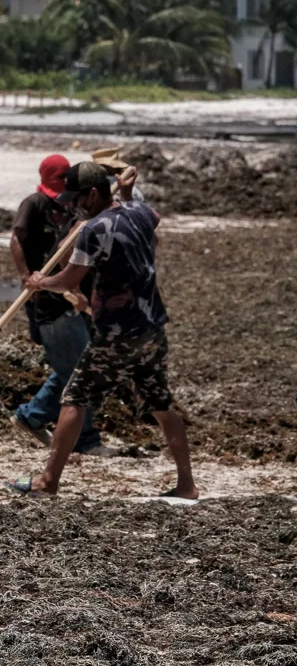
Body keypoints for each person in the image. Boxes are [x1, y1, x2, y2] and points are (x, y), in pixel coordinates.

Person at [6, 162, 198, 499]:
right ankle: (187, 485)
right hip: (151, 327)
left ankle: (48, 482)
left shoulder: (93, 229)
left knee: (74, 398)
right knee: (162, 405)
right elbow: (150, 222)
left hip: (115, 333)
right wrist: (123, 191)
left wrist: (39, 282)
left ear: (93, 193)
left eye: (78, 197)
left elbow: (68, 279)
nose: (73, 204)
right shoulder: (138, 213)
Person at [9, 155, 108, 455]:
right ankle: (85, 439)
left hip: (66, 299)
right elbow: (21, 241)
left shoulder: (75, 210)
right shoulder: (35, 204)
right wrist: (29, 277)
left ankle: (32, 415)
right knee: (81, 373)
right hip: (50, 298)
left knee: (72, 367)